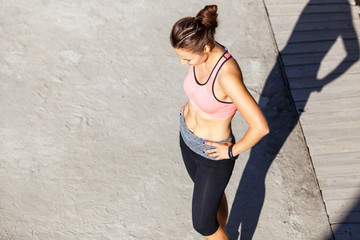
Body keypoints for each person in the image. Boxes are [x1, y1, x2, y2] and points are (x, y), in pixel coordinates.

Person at [170, 5, 269, 240]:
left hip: (213, 154)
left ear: (205, 48)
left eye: (187, 59)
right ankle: (224, 233)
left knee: (203, 225)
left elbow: (261, 127)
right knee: (213, 206)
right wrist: (190, 105)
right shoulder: (201, 52)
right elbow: (200, 91)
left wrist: (232, 151)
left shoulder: (227, 76)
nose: (183, 64)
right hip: (187, 140)